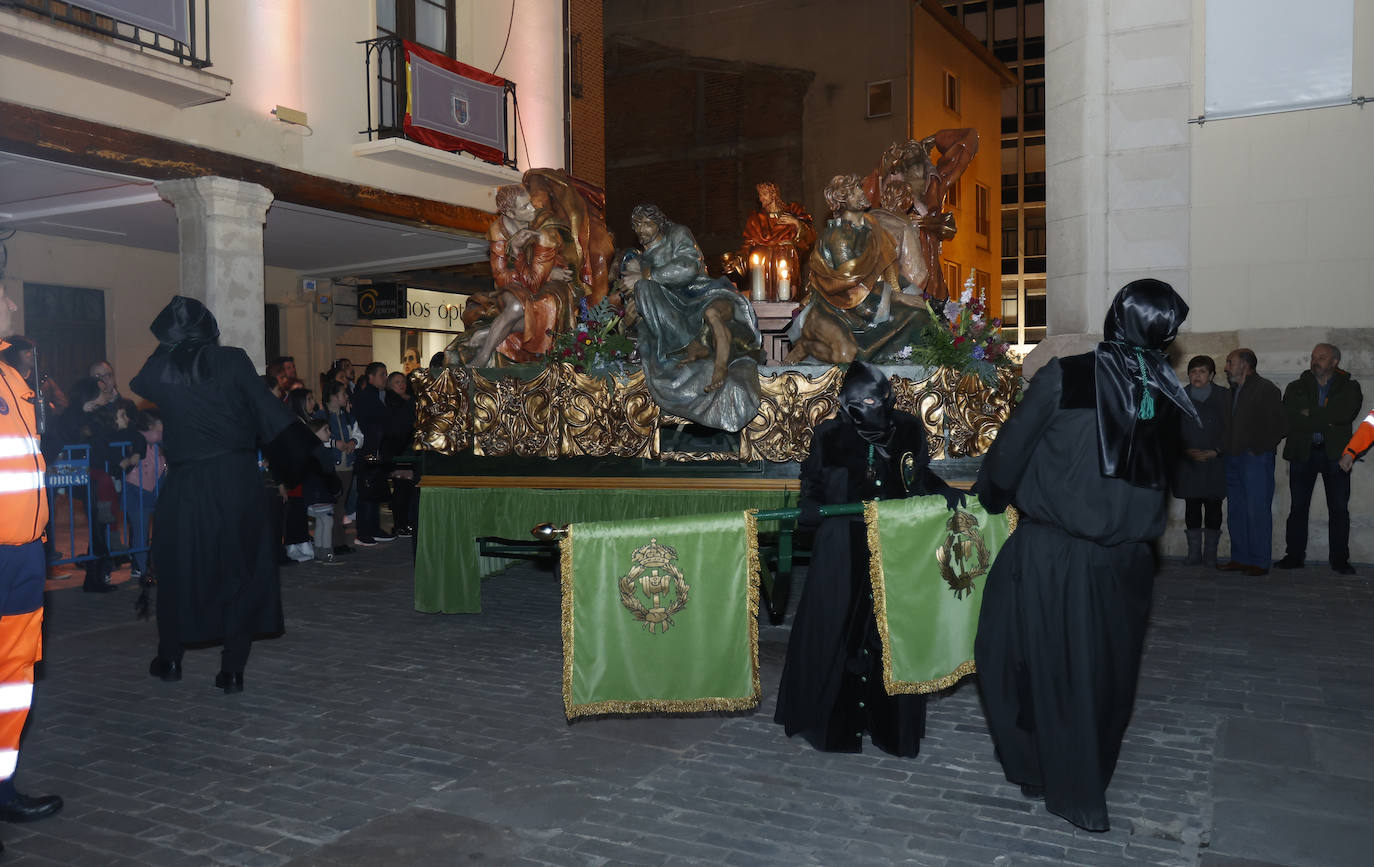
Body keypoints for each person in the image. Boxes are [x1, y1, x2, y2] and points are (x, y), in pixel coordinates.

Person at [972, 279, 1201, 832]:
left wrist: (991, 494)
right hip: (1129, 564)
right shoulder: (1167, 393)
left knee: (1016, 658)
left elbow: (1009, 452)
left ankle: (1053, 778)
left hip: (1056, 553)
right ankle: (1083, 773)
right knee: (1103, 673)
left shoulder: (1068, 376)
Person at [775, 361, 965, 756]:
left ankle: (888, 725)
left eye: (875, 398)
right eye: (858, 400)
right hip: (841, 549)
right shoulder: (829, 434)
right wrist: (811, 505)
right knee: (837, 628)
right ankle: (834, 722)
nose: (868, 405)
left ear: (887, 397)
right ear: (845, 403)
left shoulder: (908, 429)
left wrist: (940, 489)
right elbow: (811, 483)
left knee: (888, 632)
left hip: (895, 547)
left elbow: (915, 477)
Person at [131, 296, 315, 695]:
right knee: (240, 569)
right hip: (235, 479)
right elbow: (265, 409)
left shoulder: (164, 367)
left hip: (186, 484)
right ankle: (232, 670)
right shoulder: (232, 359)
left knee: (179, 567)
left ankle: (171, 659)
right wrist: (298, 455)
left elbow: (140, 382)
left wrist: (171, 344)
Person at [0, 337, 65, 845]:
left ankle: (3, 788)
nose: (12, 306)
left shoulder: (13, 376)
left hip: (23, 554)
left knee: (12, 677)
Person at [620, 203, 764, 432]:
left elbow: (688, 266)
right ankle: (687, 346)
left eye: (647, 224)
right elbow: (623, 296)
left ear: (660, 223)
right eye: (637, 225)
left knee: (713, 313)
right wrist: (631, 309)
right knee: (643, 290)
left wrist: (646, 276)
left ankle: (716, 358)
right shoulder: (638, 259)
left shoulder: (677, 234)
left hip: (698, 294)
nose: (642, 230)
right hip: (672, 309)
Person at [784, 174, 931, 365]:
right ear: (843, 200)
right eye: (856, 190)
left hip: (873, 301)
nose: (862, 193)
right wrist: (897, 297)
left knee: (920, 315)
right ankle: (812, 345)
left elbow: (885, 270)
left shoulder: (872, 226)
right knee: (851, 353)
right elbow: (850, 285)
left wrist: (910, 291)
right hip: (842, 308)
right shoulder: (838, 236)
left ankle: (902, 363)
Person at [452, 184, 577, 367]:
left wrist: (545, 272)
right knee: (517, 307)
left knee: (545, 306)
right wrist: (546, 273)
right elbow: (501, 277)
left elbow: (538, 278)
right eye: (524, 207)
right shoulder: (498, 232)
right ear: (510, 214)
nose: (532, 209)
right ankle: (485, 354)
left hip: (549, 285)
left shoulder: (542, 227)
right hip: (518, 284)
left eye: (530, 203)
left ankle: (487, 337)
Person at [1277, 343, 1362, 575]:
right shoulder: (1296, 387)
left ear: (1335, 362)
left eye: (1322, 357)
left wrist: (1310, 413)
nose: (1316, 360)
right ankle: (1294, 555)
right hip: (1303, 453)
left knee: (1338, 508)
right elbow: (1291, 418)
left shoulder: (1349, 387)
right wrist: (1328, 418)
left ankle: (1339, 559)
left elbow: (1345, 413)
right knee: (1297, 507)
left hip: (1335, 455)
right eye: (1313, 356)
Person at [1220, 348, 1287, 575]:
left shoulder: (1266, 389)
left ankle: (1259, 561)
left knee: (1256, 510)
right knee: (1236, 510)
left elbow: (1278, 425)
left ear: (1245, 365)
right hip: (1232, 458)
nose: (1226, 366)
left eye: (1230, 362)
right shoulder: (1232, 390)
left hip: (1255, 460)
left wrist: (1256, 449)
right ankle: (1240, 557)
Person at [1173, 355, 1229, 566]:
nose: (1197, 375)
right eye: (1193, 371)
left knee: (1214, 508)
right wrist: (1184, 450)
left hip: (1215, 462)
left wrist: (1216, 450)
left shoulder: (1224, 397)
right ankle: (1194, 553)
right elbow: (1170, 429)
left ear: (1212, 375)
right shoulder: (1178, 396)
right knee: (1192, 507)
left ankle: (1211, 555)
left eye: (1202, 371)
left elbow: (1231, 429)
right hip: (1189, 463)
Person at [734, 182, 816, 302]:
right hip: (762, 264)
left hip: (786, 260)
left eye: (764, 194)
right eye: (760, 195)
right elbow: (747, 244)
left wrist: (797, 223)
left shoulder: (794, 211)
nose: (761, 198)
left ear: (773, 195)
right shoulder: (756, 219)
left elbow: (810, 237)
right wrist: (739, 257)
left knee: (787, 295)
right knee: (762, 295)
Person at [350, 362, 396, 546]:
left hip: (377, 450)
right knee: (368, 487)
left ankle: (374, 528)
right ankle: (364, 531)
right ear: (371, 377)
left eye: (386, 374)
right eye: (382, 375)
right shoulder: (366, 397)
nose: (385, 378)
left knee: (375, 486)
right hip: (369, 451)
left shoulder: (378, 396)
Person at [321, 380, 360, 556]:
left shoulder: (348, 417)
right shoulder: (322, 417)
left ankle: (338, 541)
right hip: (332, 468)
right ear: (334, 397)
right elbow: (316, 439)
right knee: (334, 506)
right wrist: (333, 443)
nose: (346, 397)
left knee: (341, 505)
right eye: (344, 394)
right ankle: (335, 543)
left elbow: (359, 434)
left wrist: (354, 442)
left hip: (347, 467)